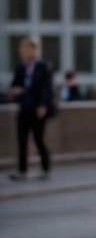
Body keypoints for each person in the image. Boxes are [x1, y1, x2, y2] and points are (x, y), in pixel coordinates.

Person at [9, 36, 54, 181]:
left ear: (33, 50)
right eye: (22, 48)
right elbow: (14, 85)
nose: (23, 51)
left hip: (37, 109)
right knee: (22, 139)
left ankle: (45, 168)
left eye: (26, 48)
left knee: (38, 138)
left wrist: (43, 105)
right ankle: (22, 170)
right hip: (24, 107)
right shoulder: (20, 67)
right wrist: (15, 90)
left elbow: (47, 88)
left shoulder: (43, 66)